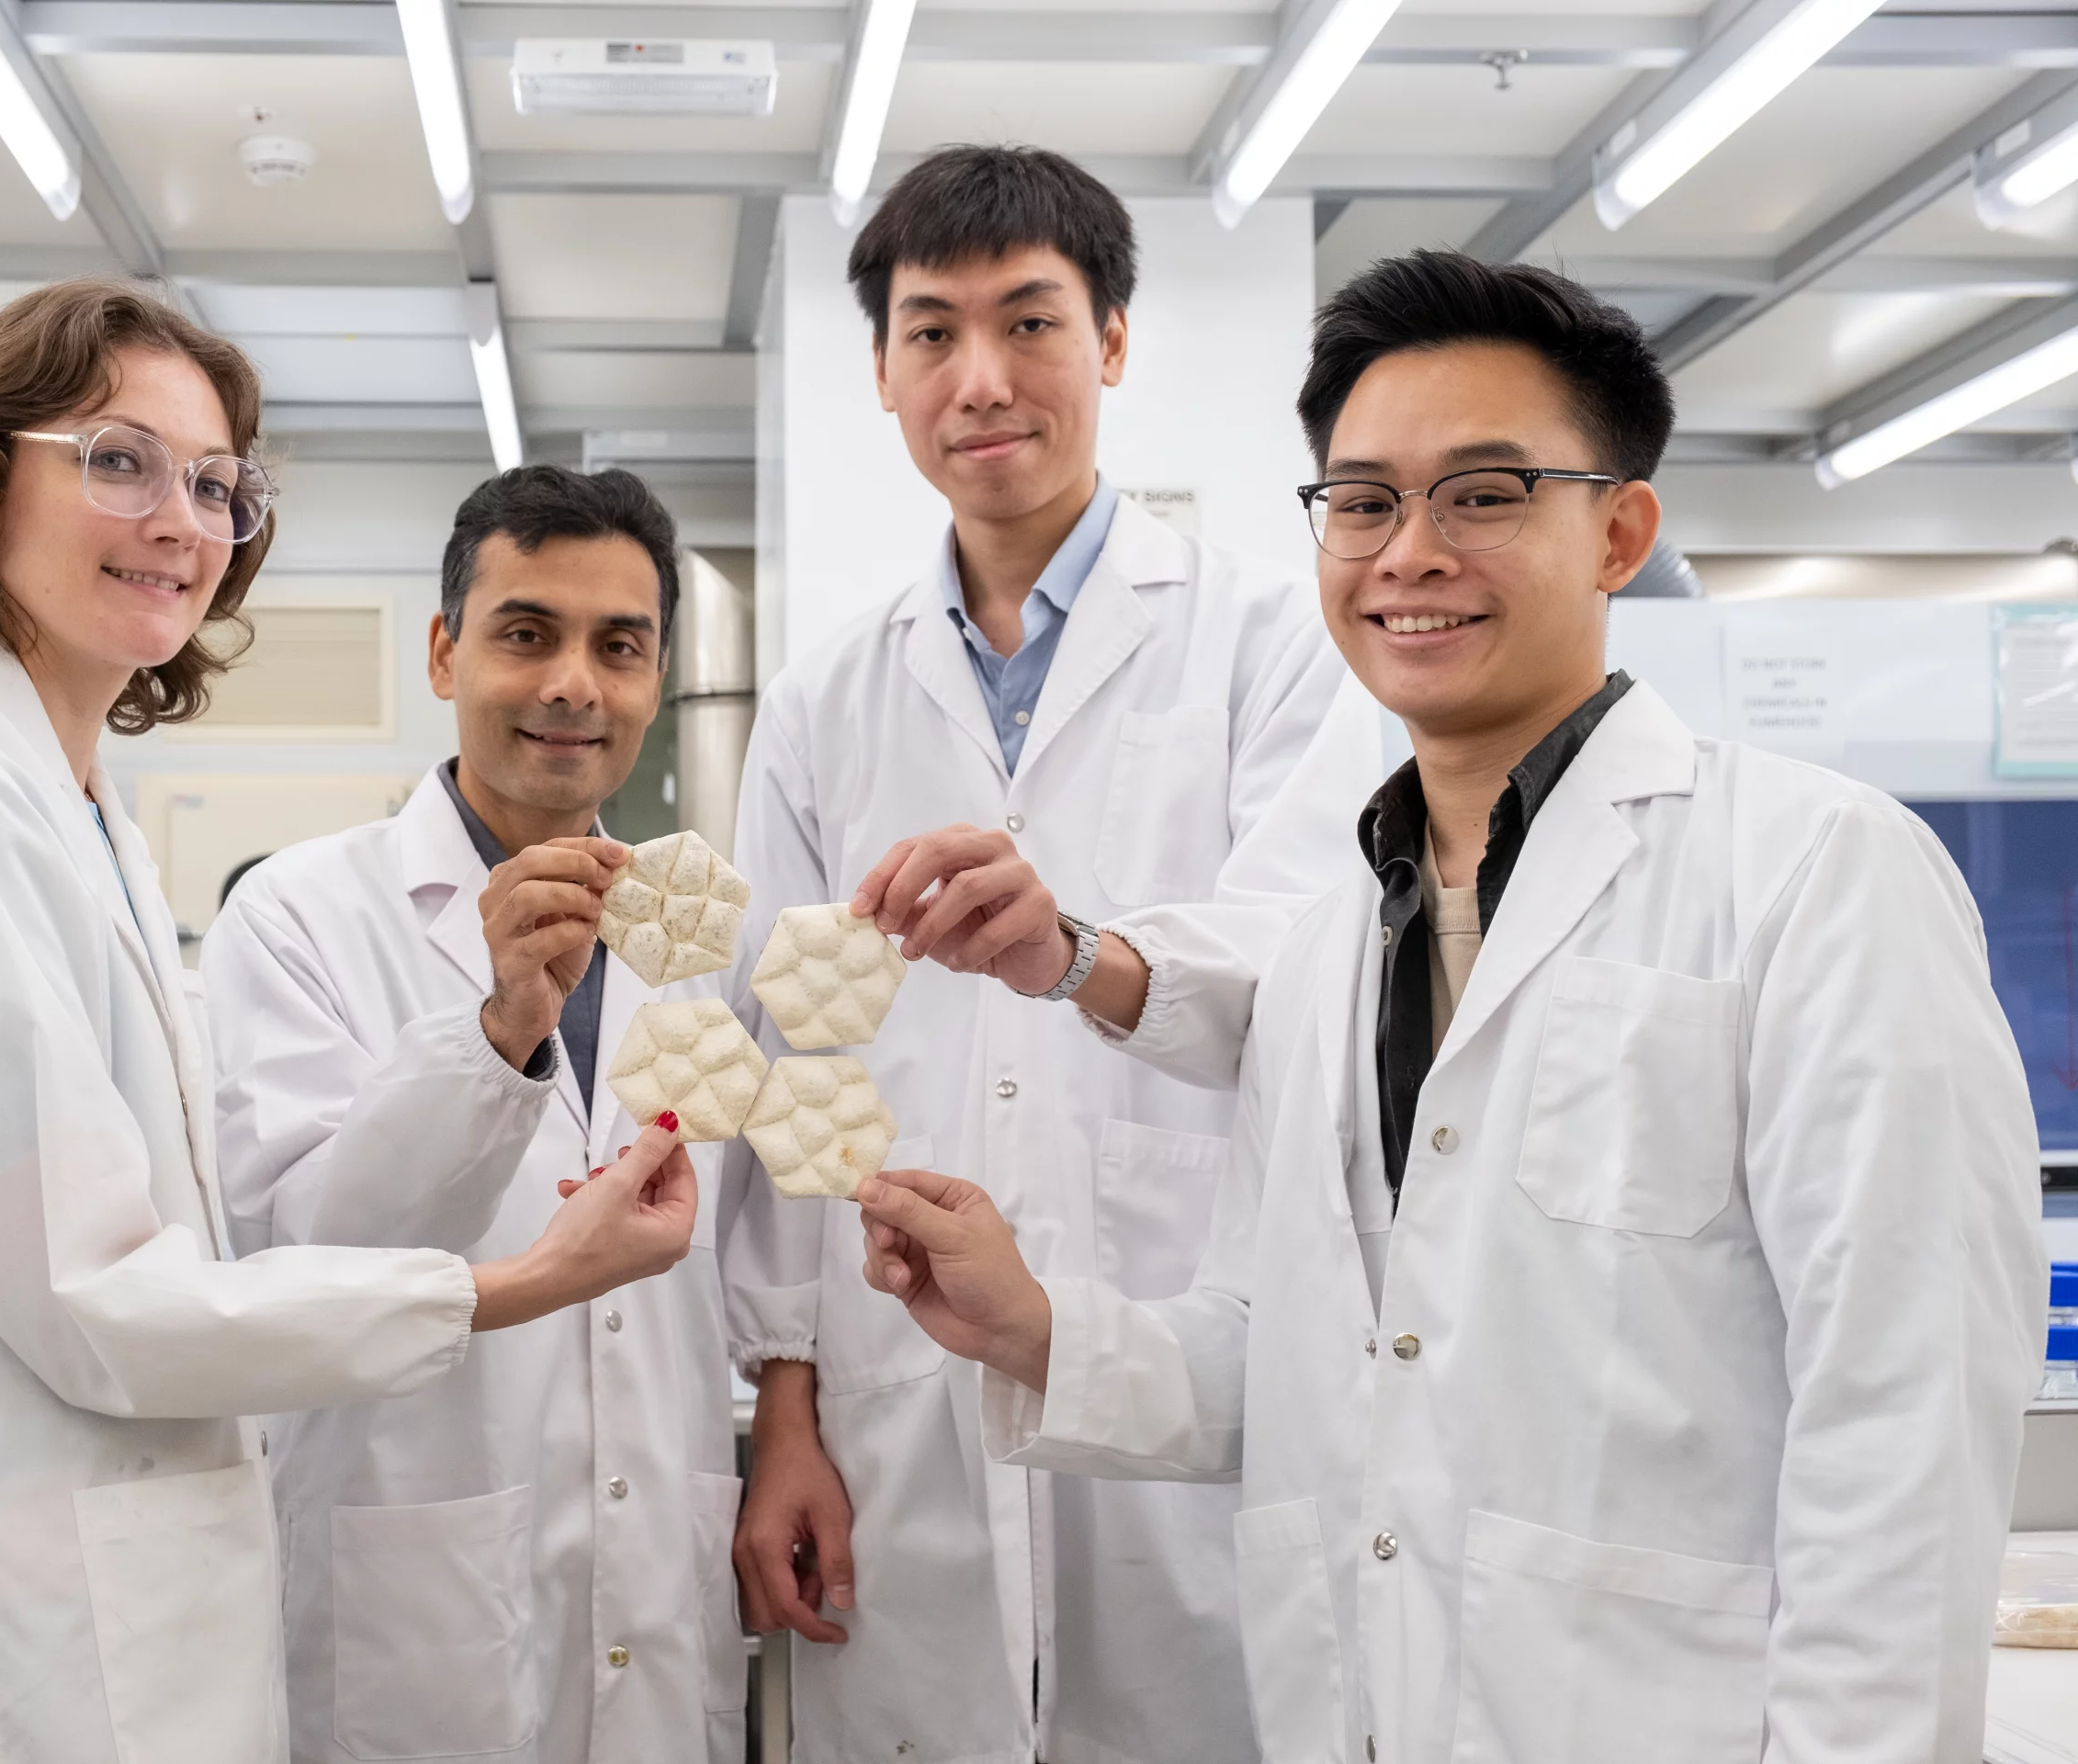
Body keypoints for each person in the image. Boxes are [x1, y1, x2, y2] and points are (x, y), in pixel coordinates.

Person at [852, 251, 2045, 1764]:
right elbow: (1296, 1360)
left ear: (1619, 531)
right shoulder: (1338, 940)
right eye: (1363, 502)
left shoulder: (1815, 873)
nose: (1409, 551)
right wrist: (1033, 1328)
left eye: (1484, 494)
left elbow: (1906, 1415)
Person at [0, 282, 699, 1764]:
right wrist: (517, 1282)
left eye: (216, 483)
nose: (179, 517)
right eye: (118, 459)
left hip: (109, 1624)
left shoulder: (57, 806)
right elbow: (111, 1301)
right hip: (0, 1651)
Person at [723, 144, 1378, 1764]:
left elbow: (1320, 965)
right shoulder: (823, 703)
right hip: (899, 1387)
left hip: (1188, 1352)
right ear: (881, 370)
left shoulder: (1272, 642)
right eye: (933, 332)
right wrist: (786, 1411)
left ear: (1115, 342)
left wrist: (1088, 956)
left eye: (1032, 321)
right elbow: (792, 1076)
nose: (983, 378)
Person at [204, 466, 746, 1764]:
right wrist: (499, 1029)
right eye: (525, 633)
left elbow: (748, 1265)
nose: (573, 685)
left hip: (654, 1573)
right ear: (446, 652)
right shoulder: (299, 915)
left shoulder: (699, 937)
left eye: (620, 647)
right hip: (416, 1576)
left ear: (656, 680)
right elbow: (302, 1250)